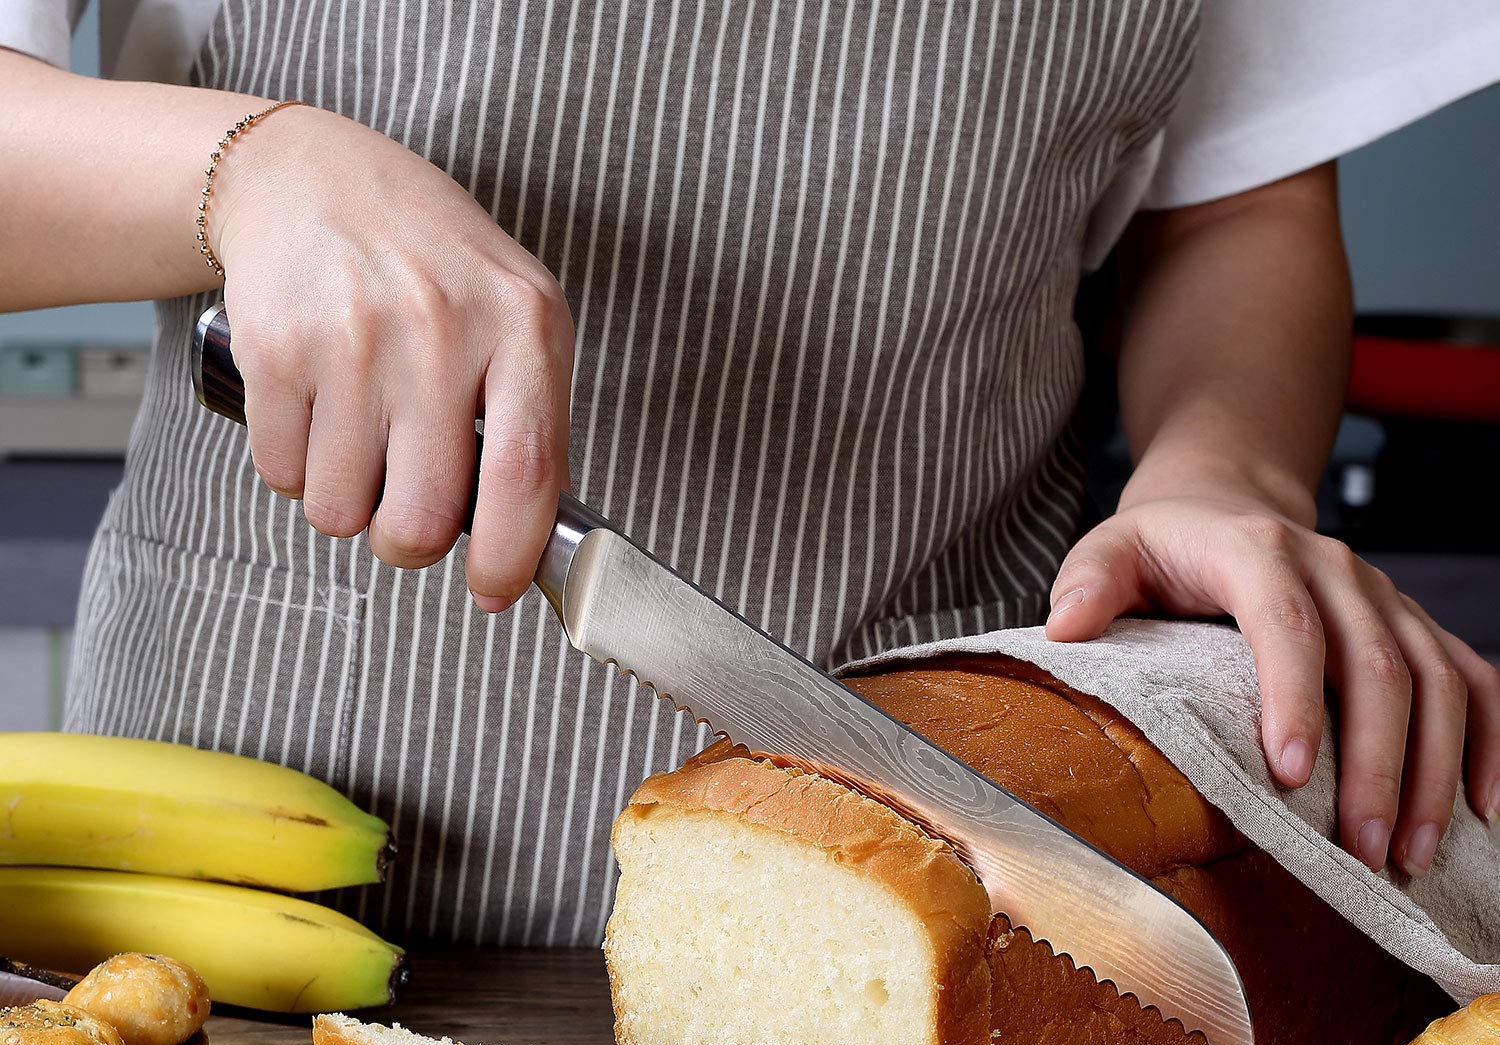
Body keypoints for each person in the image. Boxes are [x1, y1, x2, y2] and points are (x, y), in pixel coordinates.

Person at [2, 1, 1497, 945]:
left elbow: (1241, 205)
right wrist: (251, 164)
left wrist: (1224, 468)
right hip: (248, 840)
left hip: (958, 833)